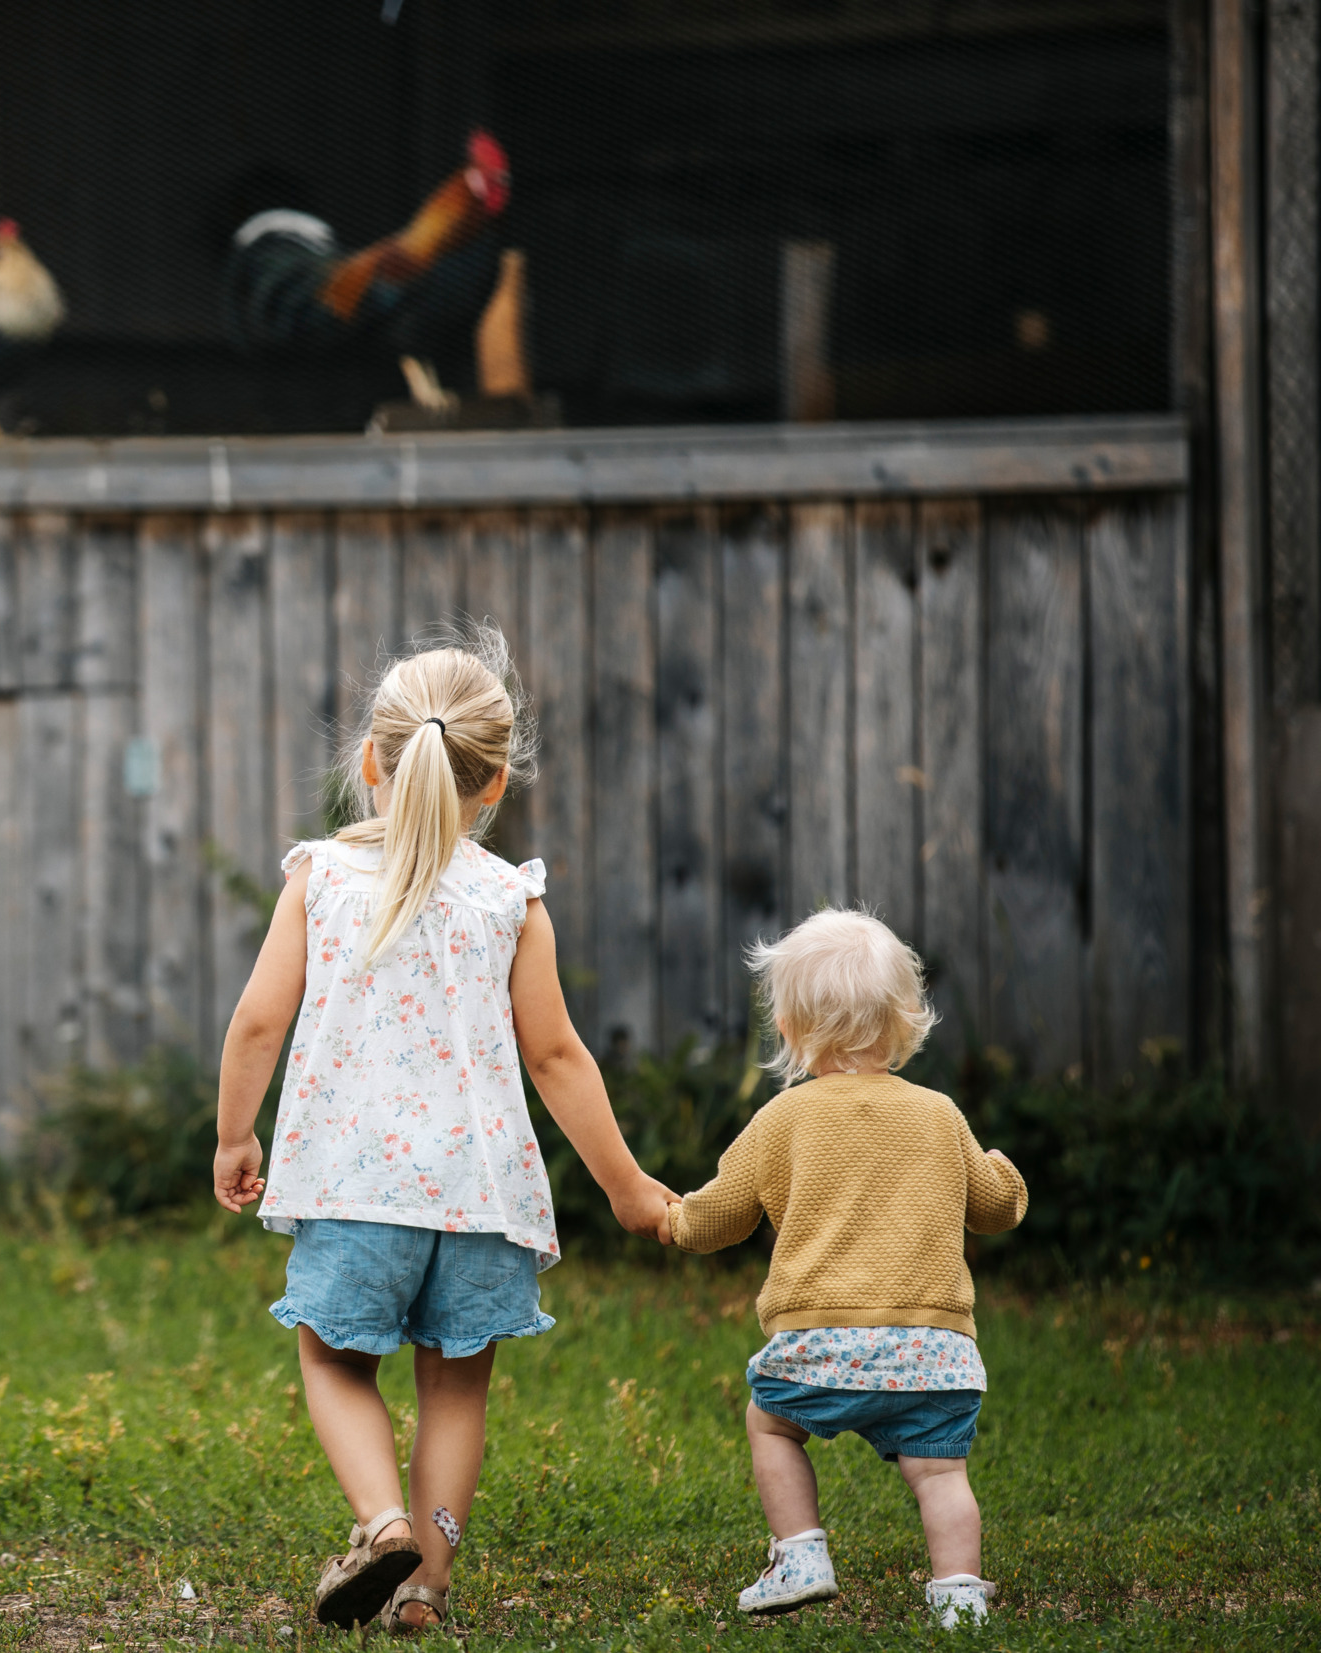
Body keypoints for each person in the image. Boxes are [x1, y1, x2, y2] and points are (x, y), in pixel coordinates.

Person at [210, 629, 676, 1632]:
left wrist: (232, 1136)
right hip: (478, 1198)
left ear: (370, 764)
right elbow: (556, 1059)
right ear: (495, 782)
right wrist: (628, 1186)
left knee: (335, 1363)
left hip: (349, 1186)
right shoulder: (511, 900)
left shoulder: (322, 879)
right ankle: (426, 1587)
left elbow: (257, 1020)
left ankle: (382, 1524)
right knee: (454, 1394)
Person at [658, 909, 1028, 1630]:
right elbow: (994, 1207)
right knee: (941, 1475)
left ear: (790, 1027)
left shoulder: (783, 1118)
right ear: (905, 1019)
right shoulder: (941, 1114)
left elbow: (722, 1213)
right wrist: (1004, 1172)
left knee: (769, 1422)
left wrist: (671, 1220)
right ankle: (958, 1595)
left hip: (817, 1346)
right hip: (932, 1354)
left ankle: (800, 1554)